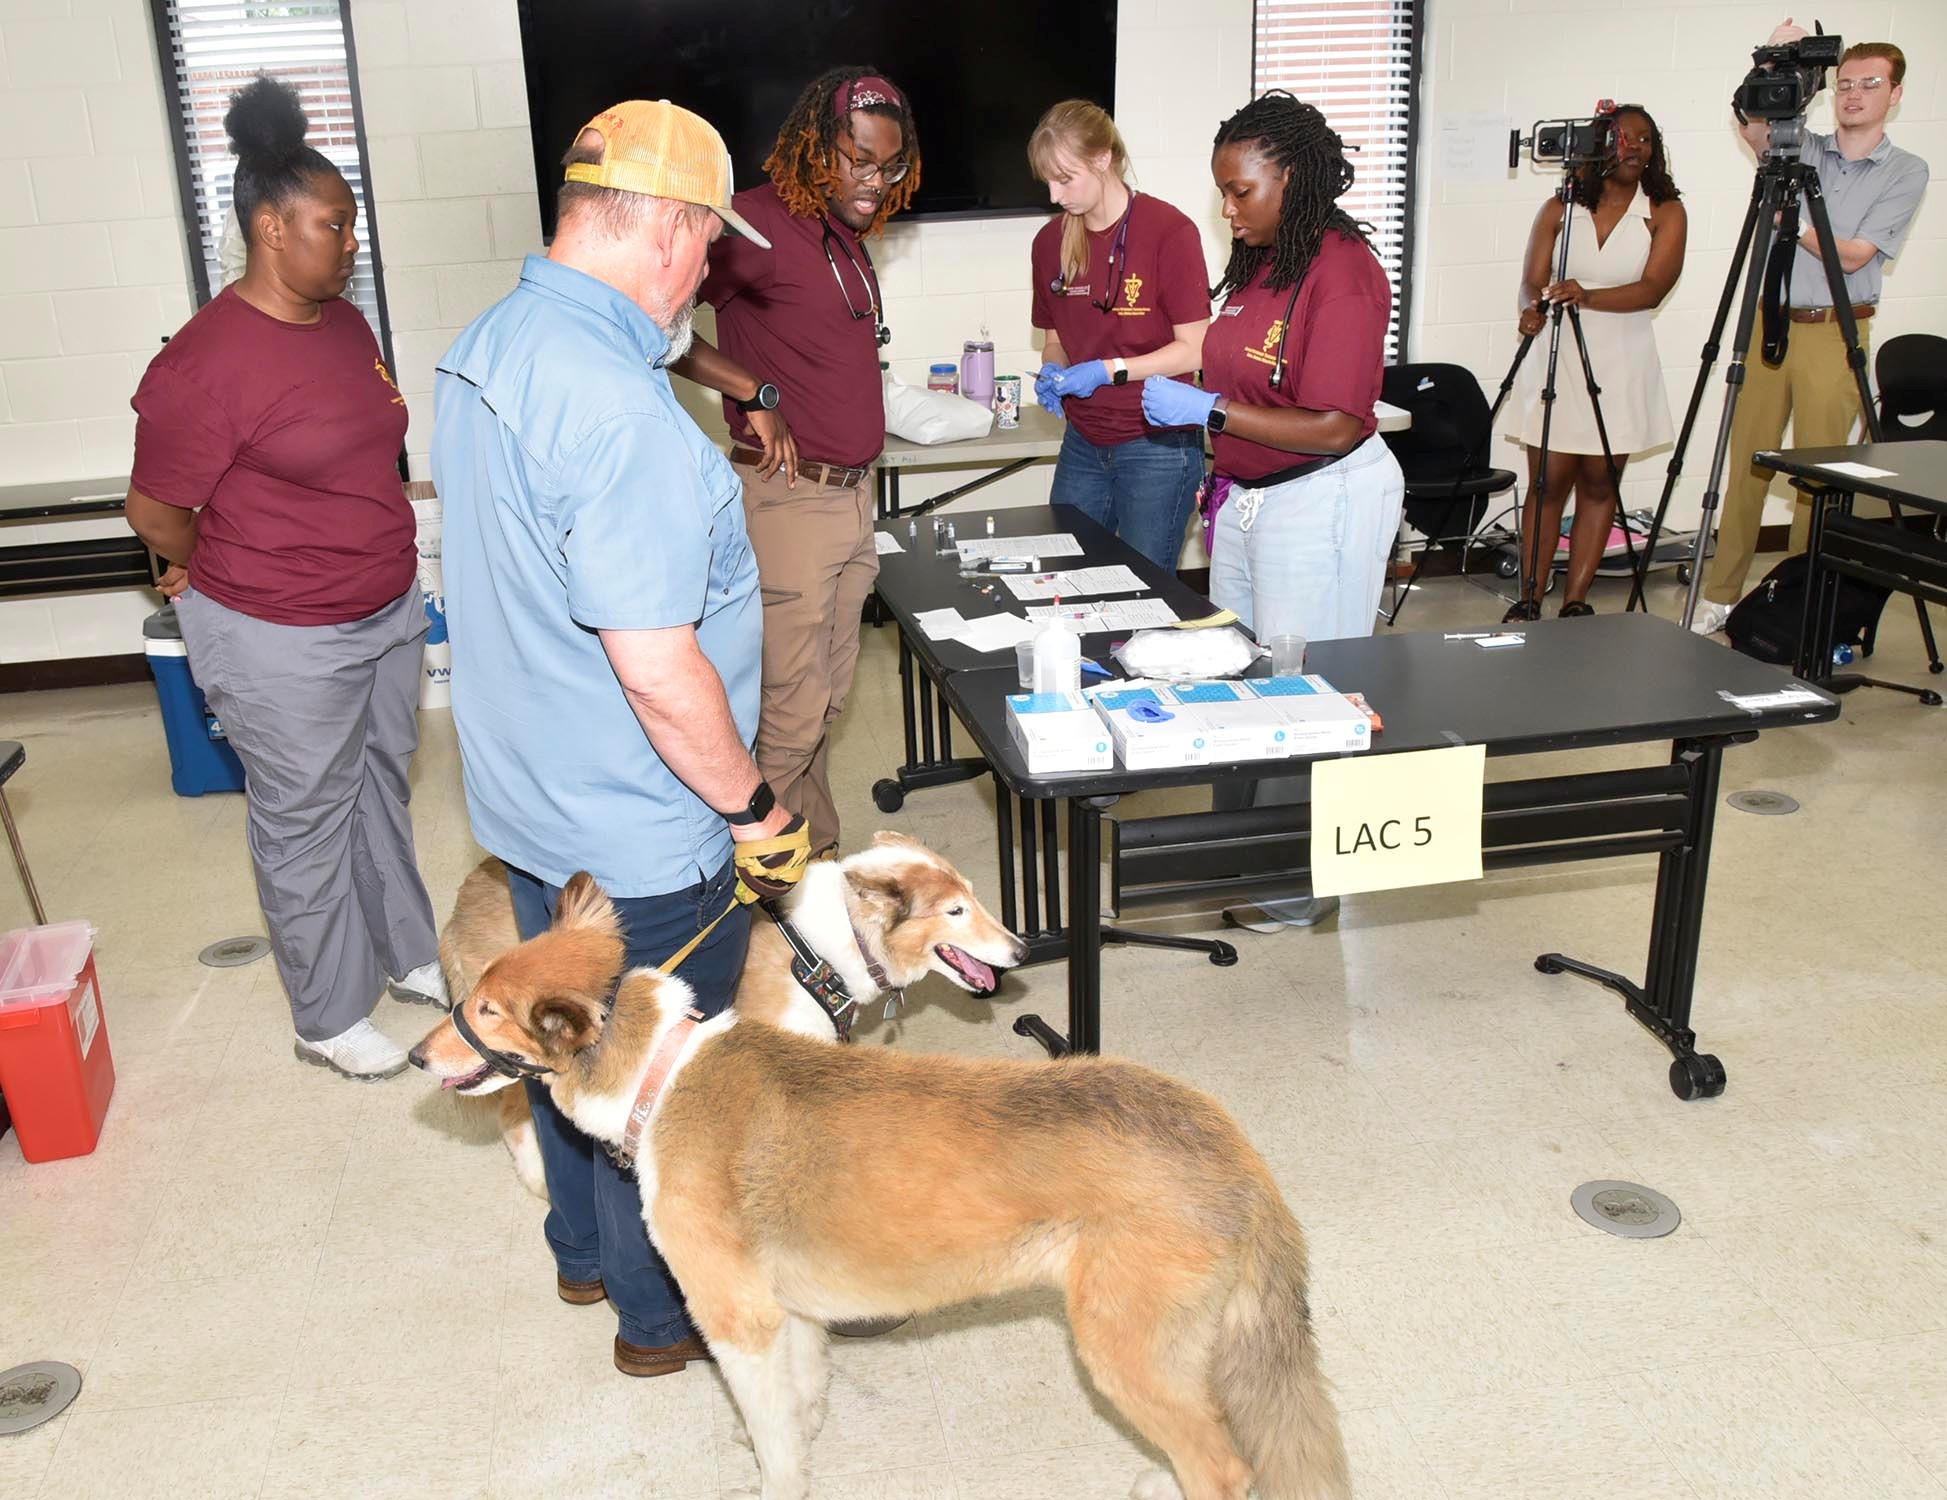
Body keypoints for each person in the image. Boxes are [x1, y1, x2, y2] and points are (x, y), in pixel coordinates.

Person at [431, 99, 811, 1379]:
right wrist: (758, 813)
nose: (711, 270)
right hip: (638, 820)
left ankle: (581, 1255)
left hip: (528, 796)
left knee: (561, 1036)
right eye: (709, 244)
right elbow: (658, 670)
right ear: (664, 228)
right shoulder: (622, 412)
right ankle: (657, 1323)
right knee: (654, 1090)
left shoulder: (490, 343)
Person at [123, 75, 446, 1081]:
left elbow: (365, 446)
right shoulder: (205, 365)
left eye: (351, 226)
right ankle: (327, 1011)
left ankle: (405, 950)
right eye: (334, 226)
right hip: (276, 630)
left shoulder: (344, 326)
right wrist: (190, 563)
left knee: (376, 790)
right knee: (304, 815)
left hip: (384, 604)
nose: (352, 244)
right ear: (270, 227)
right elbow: (154, 509)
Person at [1142, 91, 1404, 934]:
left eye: (1240, 189)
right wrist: (1215, 451)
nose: (1226, 206)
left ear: (1292, 178)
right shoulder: (1262, 254)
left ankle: (1293, 885)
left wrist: (1207, 417)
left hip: (1320, 501)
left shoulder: (1345, 271)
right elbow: (1241, 377)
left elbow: (1333, 424)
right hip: (1251, 498)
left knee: (1303, 693)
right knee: (1237, 682)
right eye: (1220, 189)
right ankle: (1237, 849)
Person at [666, 66, 921, 859]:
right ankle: (761, 881)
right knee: (788, 704)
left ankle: (815, 854)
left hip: (848, 501)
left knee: (829, 695)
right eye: (857, 160)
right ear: (815, 148)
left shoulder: (840, 231)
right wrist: (752, 388)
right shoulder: (754, 224)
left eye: (889, 166)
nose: (873, 183)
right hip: (788, 499)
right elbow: (653, 319)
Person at [1694, 28, 1928, 634]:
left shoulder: (1905, 169)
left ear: (1894, 94)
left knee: (1817, 476)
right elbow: (1750, 122)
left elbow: (1851, 256)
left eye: (1869, 85)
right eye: (1844, 84)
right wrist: (1771, 58)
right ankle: (1720, 594)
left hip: (1834, 333)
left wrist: (1787, 219)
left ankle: (1794, 600)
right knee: (1748, 464)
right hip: (1772, 327)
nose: (1853, 95)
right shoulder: (1803, 150)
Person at [1503, 105, 1686, 621]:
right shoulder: (1560, 207)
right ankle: (1530, 597)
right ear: (1598, 145)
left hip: (1622, 360)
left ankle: (1577, 601)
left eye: (1645, 139)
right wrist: (1528, 310)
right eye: (1624, 138)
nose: (1635, 148)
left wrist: (1586, 295)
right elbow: (1530, 280)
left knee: (1601, 483)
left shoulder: (1664, 211)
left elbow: (1653, 289)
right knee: (1547, 483)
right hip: (1557, 358)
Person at [1027, 100, 1211, 570]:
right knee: (1061, 577)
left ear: (1103, 159)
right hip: (1084, 441)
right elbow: (1055, 338)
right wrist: (1055, 368)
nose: (1054, 195)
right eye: (1047, 180)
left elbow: (1194, 349)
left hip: (1157, 447)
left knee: (1145, 592)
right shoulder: (1050, 243)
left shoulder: (1169, 231)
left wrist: (1110, 370)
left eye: (1065, 179)